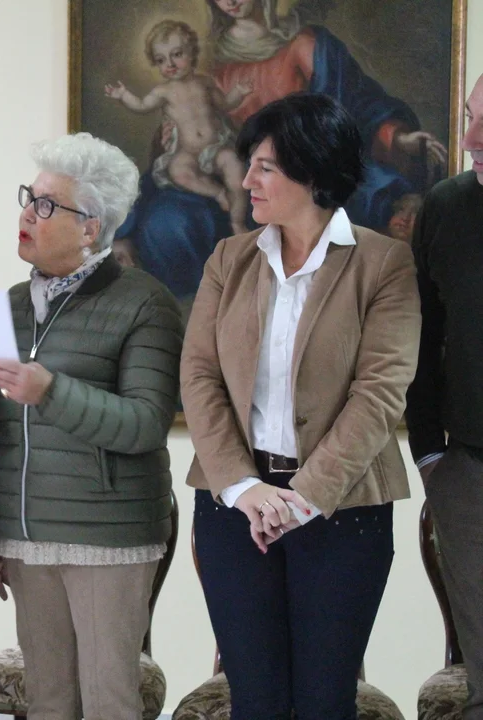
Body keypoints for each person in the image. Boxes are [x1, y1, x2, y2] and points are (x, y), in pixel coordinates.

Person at [180, 92, 421, 719]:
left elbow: (380, 392)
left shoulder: (384, 264)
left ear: (312, 172)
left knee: (323, 702)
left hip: (343, 510)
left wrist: (303, 497)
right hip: (236, 508)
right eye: (250, 165)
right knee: (255, 701)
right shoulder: (228, 260)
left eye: (265, 167)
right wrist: (243, 487)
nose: (248, 181)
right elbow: (199, 376)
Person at [0, 132, 182, 720]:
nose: (26, 214)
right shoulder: (10, 304)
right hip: (26, 537)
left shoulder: (145, 301)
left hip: (108, 538)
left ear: (90, 227)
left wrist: (51, 391)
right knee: (47, 703)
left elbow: (145, 423)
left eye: (45, 205)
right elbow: (5, 429)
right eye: (28, 198)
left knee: (108, 703)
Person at [118, 0, 447, 305]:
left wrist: (396, 137)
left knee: (374, 205)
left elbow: (355, 108)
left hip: (312, 170)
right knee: (166, 224)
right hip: (242, 182)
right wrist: (168, 140)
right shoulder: (212, 66)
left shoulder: (308, 44)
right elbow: (194, 134)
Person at [406, 71, 483, 719]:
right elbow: (420, 335)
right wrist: (431, 452)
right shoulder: (446, 207)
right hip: (468, 470)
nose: (470, 139)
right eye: (468, 117)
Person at [105, 19, 252, 234]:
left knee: (236, 170)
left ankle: (237, 222)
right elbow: (141, 106)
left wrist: (239, 92)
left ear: (192, 53)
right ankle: (217, 192)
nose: (170, 64)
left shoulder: (205, 82)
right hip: (187, 151)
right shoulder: (163, 91)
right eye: (161, 60)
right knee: (178, 171)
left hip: (216, 148)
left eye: (177, 54)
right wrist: (123, 95)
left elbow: (225, 104)